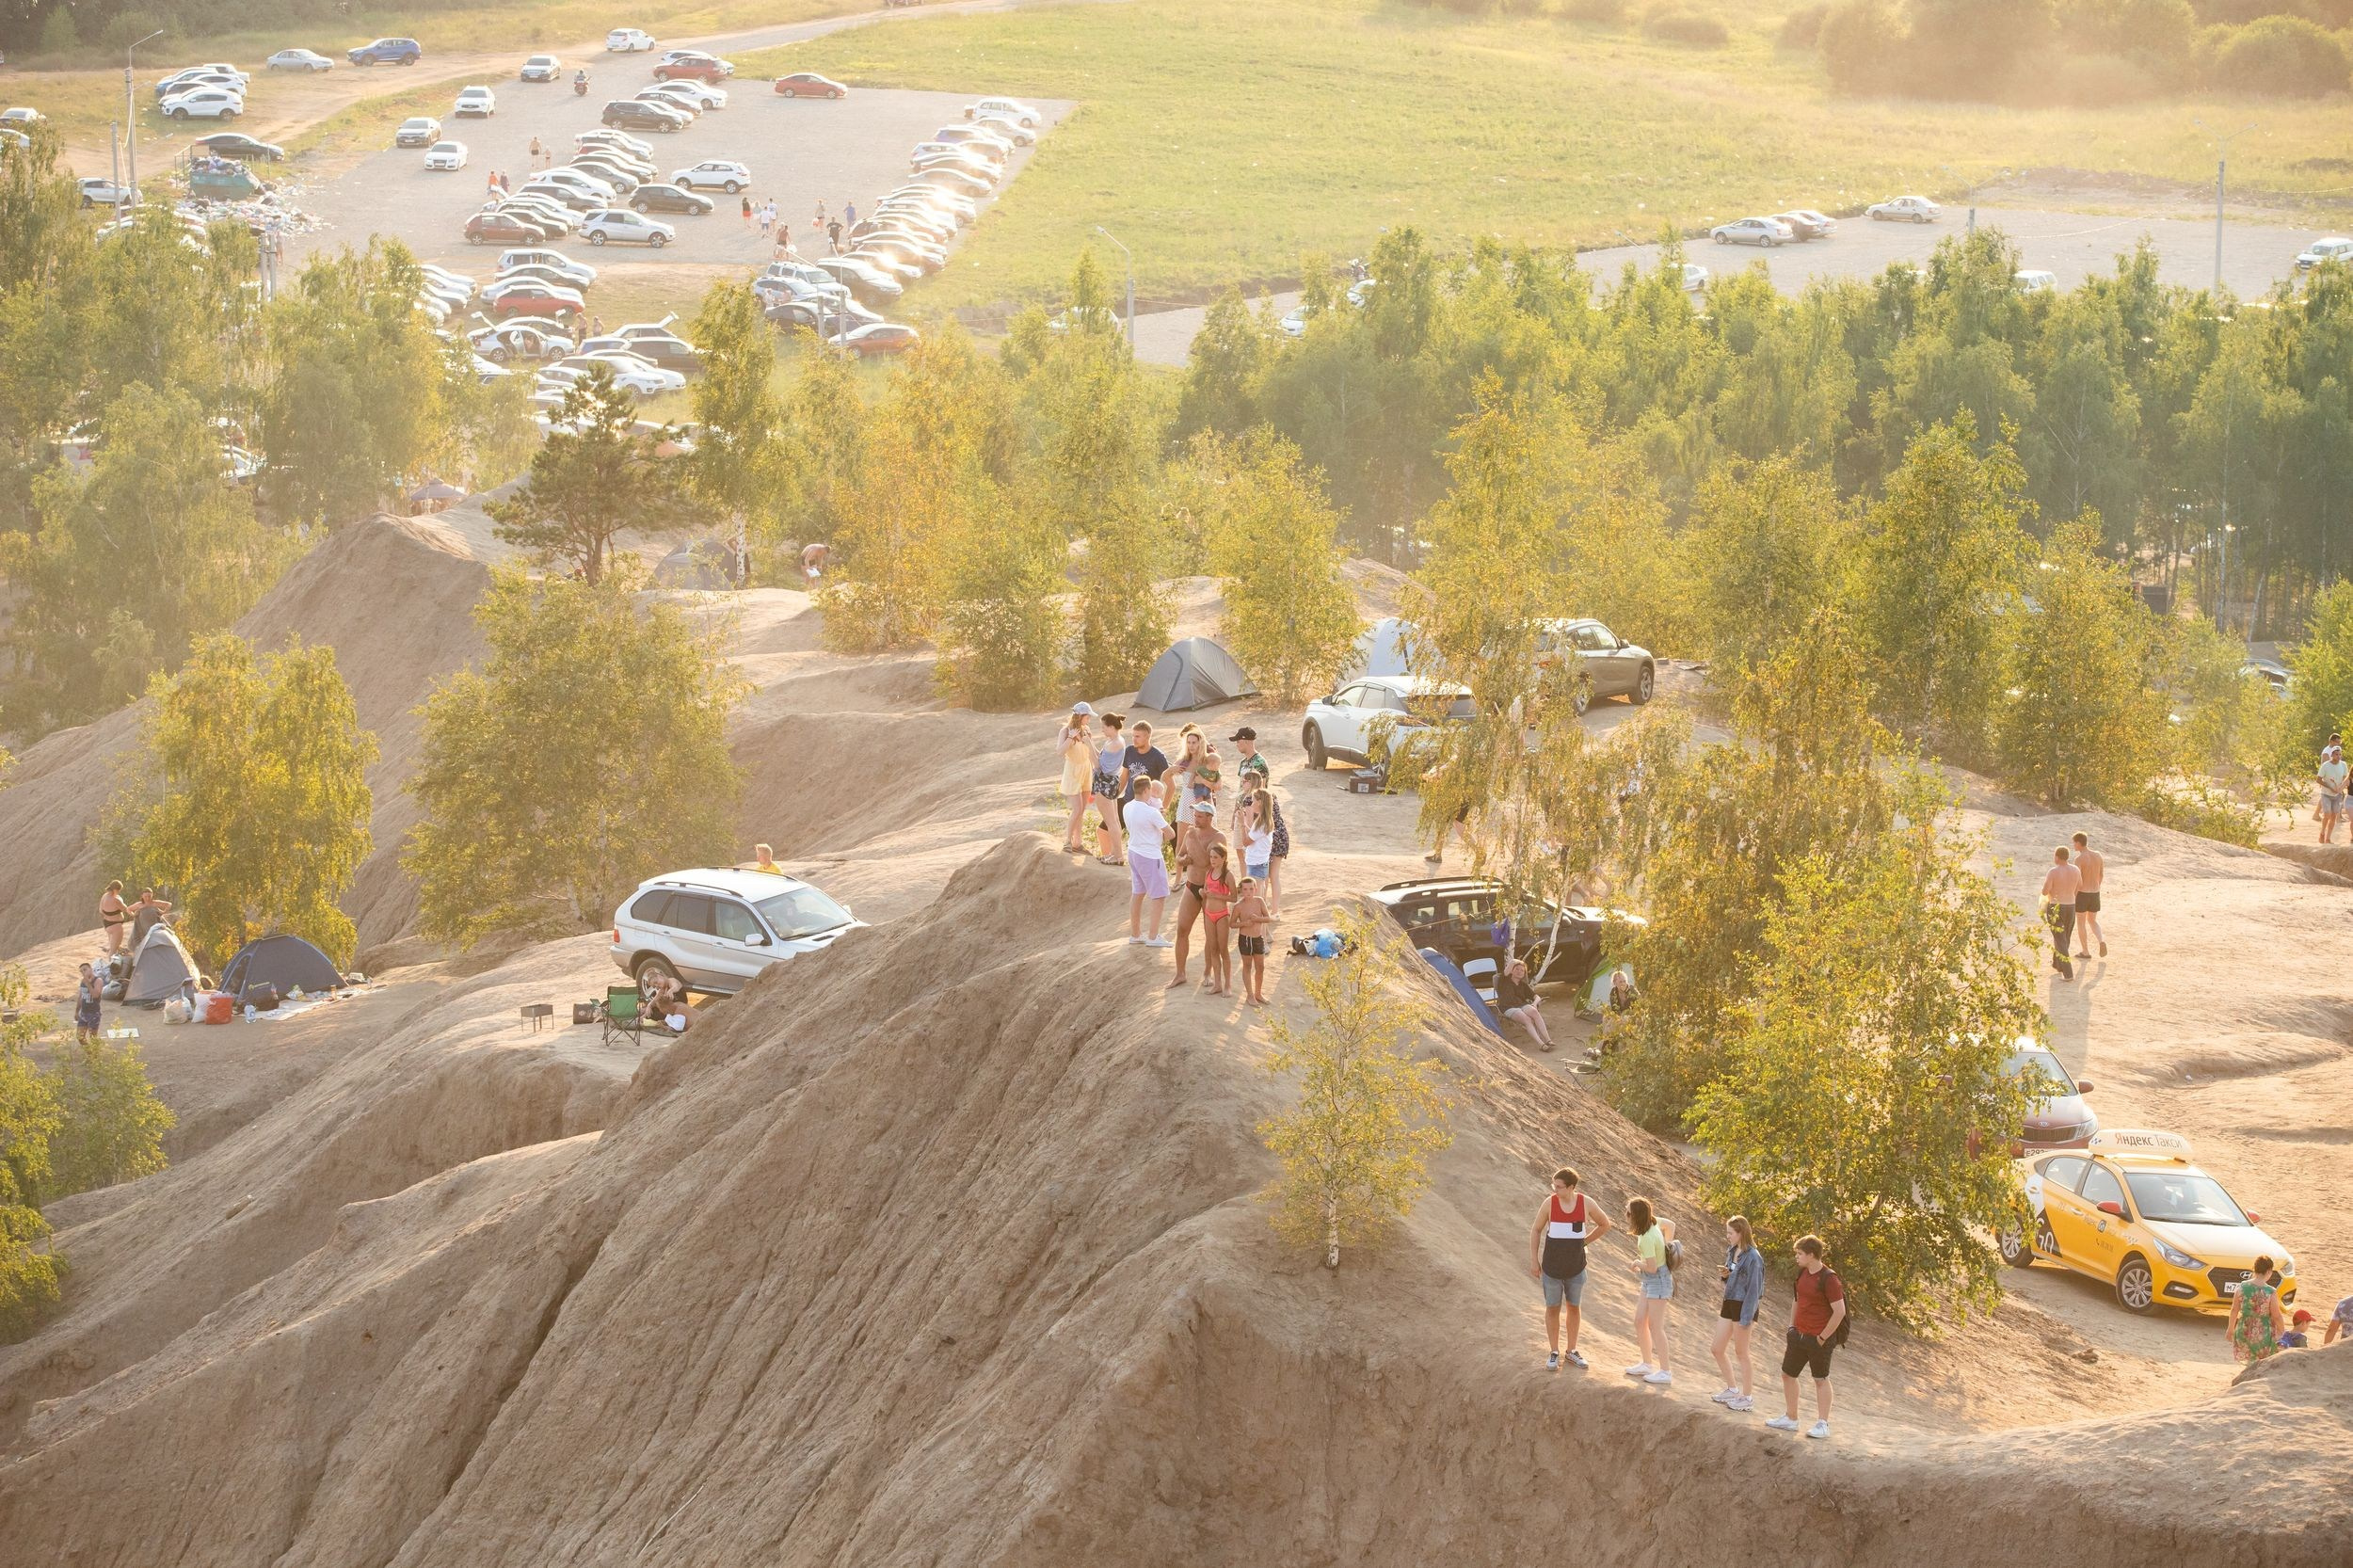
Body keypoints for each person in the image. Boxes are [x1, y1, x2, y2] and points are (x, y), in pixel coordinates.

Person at [1528, 1167, 1609, 1369]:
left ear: (1571, 1187)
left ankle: (1571, 1351)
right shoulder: (1549, 1203)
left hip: (1576, 1267)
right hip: (1552, 1268)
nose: (1555, 1190)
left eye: (1559, 1187)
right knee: (1552, 1308)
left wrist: (1585, 1242)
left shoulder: (1585, 1203)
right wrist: (1534, 1261)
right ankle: (1554, 1352)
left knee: (1574, 1307)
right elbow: (1536, 1229)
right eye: (1553, 1186)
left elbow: (1604, 1224)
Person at [1767, 1235, 1845, 1439]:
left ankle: (1822, 1424)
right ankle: (1791, 1418)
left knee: (1820, 1379)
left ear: (1811, 1255)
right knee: (1787, 1375)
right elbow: (1797, 1300)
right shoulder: (1802, 1273)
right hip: (1798, 1335)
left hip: (1819, 1339)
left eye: (1800, 1254)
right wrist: (1791, 1326)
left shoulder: (1830, 1279)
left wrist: (1822, 1337)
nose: (1797, 1257)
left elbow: (1839, 1312)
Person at [1711, 1217, 1764, 1412]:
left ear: (1741, 1232)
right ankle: (1733, 1389)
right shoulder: (1732, 1251)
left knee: (1742, 1352)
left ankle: (1747, 1397)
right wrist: (1725, 1276)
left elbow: (1755, 1290)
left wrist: (1746, 1318)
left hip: (1744, 1307)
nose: (1727, 1237)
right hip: (1729, 1301)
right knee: (1717, 1348)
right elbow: (1732, 1279)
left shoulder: (1754, 1257)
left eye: (1730, 1233)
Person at [1166, 798, 1219, 990]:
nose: (1195, 819)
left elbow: (1207, 862)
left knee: (1210, 934)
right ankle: (1180, 973)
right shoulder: (1190, 832)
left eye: (1199, 816)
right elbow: (1179, 858)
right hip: (1191, 885)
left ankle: (1207, 972)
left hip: (1210, 891)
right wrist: (1184, 859)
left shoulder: (1218, 837)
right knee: (1181, 930)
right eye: (1194, 815)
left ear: (1209, 817)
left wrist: (1195, 840)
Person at [1623, 1196, 1674, 1385]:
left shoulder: (1646, 1237)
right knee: (1639, 1321)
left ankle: (1665, 1371)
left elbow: (1651, 1267)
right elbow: (1671, 1225)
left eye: (1628, 1212)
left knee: (1655, 1327)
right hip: (1651, 1280)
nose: (1626, 1215)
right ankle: (1646, 1363)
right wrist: (1666, 1247)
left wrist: (1637, 1262)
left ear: (1636, 1216)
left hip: (1657, 1280)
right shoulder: (1654, 1222)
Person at [1123, 775, 1173, 948]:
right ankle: (1153, 936)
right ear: (1146, 790)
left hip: (1133, 851)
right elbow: (1171, 834)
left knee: (1138, 893)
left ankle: (1136, 934)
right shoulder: (1151, 812)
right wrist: (1158, 834)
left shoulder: (1127, 807)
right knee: (1158, 896)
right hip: (1150, 855)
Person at [2227, 1255, 2287, 1364]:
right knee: (2261, 1364)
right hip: (2263, 1332)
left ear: (2254, 1269)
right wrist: (2283, 1331)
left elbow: (2234, 1310)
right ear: (2269, 1271)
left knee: (2250, 1362)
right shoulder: (2270, 1291)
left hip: (2244, 1329)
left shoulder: (2242, 1287)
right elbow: (2276, 1315)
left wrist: (2230, 1329)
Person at [1058, 703, 1097, 854]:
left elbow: (1091, 750)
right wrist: (1070, 737)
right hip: (1073, 770)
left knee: (1082, 808)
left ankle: (1078, 842)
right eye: (1087, 716)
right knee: (1077, 808)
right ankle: (1067, 840)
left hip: (1086, 769)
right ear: (1080, 716)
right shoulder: (1065, 730)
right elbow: (1059, 752)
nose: (1089, 719)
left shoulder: (1087, 730)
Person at [1200, 839, 1237, 998]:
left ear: (1223, 858)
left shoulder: (1228, 875)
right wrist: (1203, 893)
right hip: (1209, 914)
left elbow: (1234, 898)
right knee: (1212, 949)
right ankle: (1217, 984)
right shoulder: (1208, 873)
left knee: (1223, 950)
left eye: (1215, 857)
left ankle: (1228, 985)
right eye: (1211, 857)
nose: (1212, 860)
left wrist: (1217, 896)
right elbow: (1205, 890)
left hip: (1222, 915)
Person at [1090, 712, 1128, 866]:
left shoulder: (1115, 743)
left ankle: (1118, 856)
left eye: (1104, 727)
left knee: (1111, 822)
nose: (1102, 730)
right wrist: (1090, 742)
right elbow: (1100, 756)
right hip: (1110, 782)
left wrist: (1087, 745)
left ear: (1112, 727)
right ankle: (1115, 854)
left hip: (1105, 783)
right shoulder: (1113, 741)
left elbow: (1098, 765)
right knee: (1115, 821)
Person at [2039, 846, 2082, 980]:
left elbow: (2045, 891)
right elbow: (2080, 885)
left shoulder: (2053, 872)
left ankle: (2068, 973)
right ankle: (2058, 964)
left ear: (2057, 857)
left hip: (2056, 907)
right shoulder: (2075, 869)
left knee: (2060, 939)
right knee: (2065, 937)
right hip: (2071, 906)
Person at [1496, 958, 1552, 1050]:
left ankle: (1548, 1040)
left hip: (1522, 1005)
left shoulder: (1523, 985)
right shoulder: (1504, 979)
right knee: (1526, 1019)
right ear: (1512, 971)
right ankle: (1541, 1044)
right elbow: (1512, 962)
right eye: (1517, 969)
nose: (1519, 971)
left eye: (1522, 970)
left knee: (1534, 1011)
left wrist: (1534, 1004)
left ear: (1524, 974)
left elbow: (1537, 997)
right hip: (1508, 1007)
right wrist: (1520, 962)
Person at [1232, 875, 1272, 1005]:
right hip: (1245, 939)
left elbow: (1268, 918)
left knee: (1260, 967)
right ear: (1241, 890)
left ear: (1255, 889)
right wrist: (1244, 923)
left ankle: (1258, 993)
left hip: (1258, 938)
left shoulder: (1259, 901)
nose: (1248, 892)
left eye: (1250, 889)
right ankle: (1250, 995)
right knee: (1247, 966)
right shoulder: (1238, 906)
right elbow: (1231, 924)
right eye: (1245, 889)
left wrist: (1257, 919)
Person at [2070, 830, 2106, 959]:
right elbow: (2101, 874)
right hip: (2095, 892)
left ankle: (2085, 951)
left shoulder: (2079, 859)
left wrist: (2073, 895)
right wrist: (2097, 887)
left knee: (2081, 923)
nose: (2073, 845)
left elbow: (2077, 880)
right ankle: (2101, 940)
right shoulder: (2098, 855)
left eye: (2074, 843)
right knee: (2092, 921)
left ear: (2079, 843)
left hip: (2083, 894)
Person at [1120, 720, 1168, 813]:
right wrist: (1115, 795)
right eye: (1133, 736)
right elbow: (1124, 776)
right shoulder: (1129, 751)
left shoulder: (1158, 756)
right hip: (1128, 802)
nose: (1134, 739)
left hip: (1147, 806)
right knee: (1103, 828)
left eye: (1137, 736)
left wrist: (1163, 808)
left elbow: (1171, 785)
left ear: (1148, 736)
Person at [2319, 744, 2348, 845]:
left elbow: (2345, 778)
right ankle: (2322, 832)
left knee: (2334, 816)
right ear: (2332, 754)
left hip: (2338, 795)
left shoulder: (2344, 765)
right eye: (2336, 754)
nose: (2338, 756)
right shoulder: (2326, 765)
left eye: (2340, 754)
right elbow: (2318, 779)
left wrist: (2340, 788)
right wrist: (2330, 787)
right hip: (2326, 794)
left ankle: (2328, 838)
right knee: (2327, 814)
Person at [73, 962, 103, 1044]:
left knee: (93, 1038)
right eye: (81, 971)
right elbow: (80, 997)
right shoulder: (82, 982)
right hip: (84, 1013)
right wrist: (76, 1012)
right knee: (80, 1037)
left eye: (85, 970)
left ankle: (95, 1056)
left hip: (94, 1013)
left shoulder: (98, 980)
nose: (83, 972)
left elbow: (96, 995)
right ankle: (90, 1053)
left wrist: (88, 984)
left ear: (91, 969)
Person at [100, 880, 130, 956]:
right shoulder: (116, 900)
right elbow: (125, 909)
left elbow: (100, 910)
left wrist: (109, 915)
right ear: (116, 889)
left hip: (107, 923)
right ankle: (110, 966)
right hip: (116, 926)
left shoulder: (104, 896)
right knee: (112, 951)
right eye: (119, 890)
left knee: (115, 946)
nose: (119, 892)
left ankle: (118, 953)